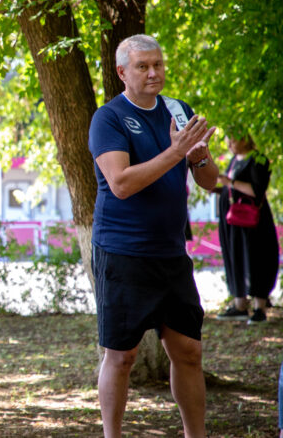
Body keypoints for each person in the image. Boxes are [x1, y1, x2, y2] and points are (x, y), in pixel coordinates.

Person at [88, 34, 218, 438]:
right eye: (143, 66)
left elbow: (210, 182)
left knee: (189, 352)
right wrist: (177, 153)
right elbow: (122, 183)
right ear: (122, 72)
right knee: (121, 356)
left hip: (170, 253)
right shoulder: (107, 118)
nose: (153, 73)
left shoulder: (179, 112)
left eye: (158, 64)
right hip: (123, 252)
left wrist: (197, 158)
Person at [215, 136, 279, 324]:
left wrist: (230, 183)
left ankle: (259, 307)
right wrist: (220, 189)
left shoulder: (258, 159)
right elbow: (231, 187)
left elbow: (257, 191)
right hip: (233, 222)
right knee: (235, 257)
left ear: (244, 139)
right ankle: (239, 304)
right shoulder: (235, 160)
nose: (229, 145)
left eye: (232, 141)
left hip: (253, 222)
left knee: (257, 258)